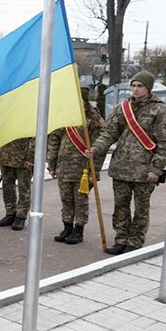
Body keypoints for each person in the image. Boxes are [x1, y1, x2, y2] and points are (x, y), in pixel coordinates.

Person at [86, 71, 166, 255]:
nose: (135, 89)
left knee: (141, 209)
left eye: (140, 86)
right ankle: (121, 239)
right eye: (133, 85)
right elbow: (109, 133)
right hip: (120, 168)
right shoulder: (122, 108)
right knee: (121, 207)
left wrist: (156, 169)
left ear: (148, 88)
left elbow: (165, 143)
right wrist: (96, 148)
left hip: (144, 170)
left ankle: (135, 242)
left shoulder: (160, 111)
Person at [47, 89, 104, 245]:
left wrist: (95, 171)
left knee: (80, 201)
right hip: (64, 167)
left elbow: (100, 147)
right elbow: (54, 141)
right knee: (66, 199)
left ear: (85, 101)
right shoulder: (64, 118)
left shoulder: (94, 120)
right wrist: (51, 164)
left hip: (83, 170)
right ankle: (67, 226)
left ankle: (78, 230)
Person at [0, 137, 35, 231]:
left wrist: (31, 158)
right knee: (7, 188)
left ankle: (21, 216)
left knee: (24, 189)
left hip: (22, 160)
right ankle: (10, 213)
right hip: (5, 157)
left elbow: (34, 137)